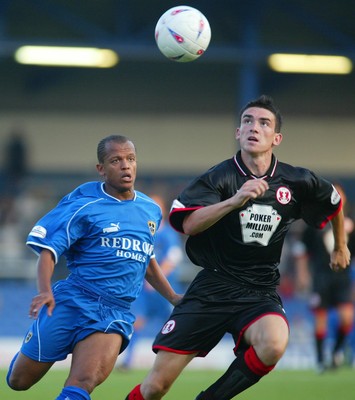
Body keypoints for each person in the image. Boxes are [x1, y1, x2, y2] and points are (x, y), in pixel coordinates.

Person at [125, 95, 351, 400]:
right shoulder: (219, 178)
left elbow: (334, 203)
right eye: (247, 121)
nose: (254, 127)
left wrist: (341, 246)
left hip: (260, 291)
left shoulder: (297, 180)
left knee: (274, 342)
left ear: (276, 138)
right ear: (237, 132)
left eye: (263, 123)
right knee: (155, 387)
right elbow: (188, 224)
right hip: (213, 287)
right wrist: (234, 201)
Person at [6, 134, 181, 400]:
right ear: (101, 169)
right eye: (116, 160)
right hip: (73, 300)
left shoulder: (150, 210)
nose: (125, 166)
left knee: (82, 382)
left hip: (114, 312)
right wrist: (45, 291)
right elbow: (49, 250)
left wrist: (174, 297)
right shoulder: (83, 205)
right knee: (18, 381)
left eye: (130, 159)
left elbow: (147, 259)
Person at [119, 193, 184, 370]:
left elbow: (173, 258)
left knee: (172, 323)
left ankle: (174, 360)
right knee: (137, 321)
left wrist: (155, 277)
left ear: (162, 209)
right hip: (143, 288)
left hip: (165, 288)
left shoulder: (168, 233)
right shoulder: (142, 231)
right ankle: (128, 360)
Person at [295, 184, 355, 372]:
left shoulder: (350, 225)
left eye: (340, 194)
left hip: (343, 278)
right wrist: (302, 274)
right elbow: (301, 251)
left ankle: (337, 353)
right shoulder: (316, 222)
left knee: (346, 318)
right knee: (320, 318)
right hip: (321, 277)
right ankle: (321, 360)